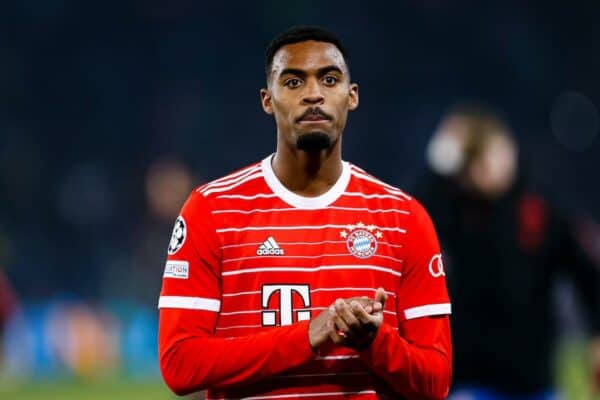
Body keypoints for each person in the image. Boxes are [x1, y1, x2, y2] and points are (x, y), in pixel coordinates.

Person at [157, 26, 452, 399]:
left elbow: (436, 382)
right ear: (268, 100)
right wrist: (310, 335)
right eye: (293, 82)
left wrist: (376, 343)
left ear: (352, 96)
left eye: (329, 79)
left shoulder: (404, 219)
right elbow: (180, 365)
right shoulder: (212, 211)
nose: (313, 94)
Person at [413, 104, 600, 399]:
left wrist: (596, 334)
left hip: (534, 381)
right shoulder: (455, 208)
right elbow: (411, 216)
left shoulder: (541, 210)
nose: (482, 170)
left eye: (487, 155)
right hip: (471, 379)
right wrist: (442, 158)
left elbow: (587, 275)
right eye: (471, 162)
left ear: (506, 148)